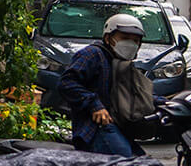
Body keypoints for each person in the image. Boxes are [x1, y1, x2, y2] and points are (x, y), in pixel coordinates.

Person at [58, 11, 155, 155]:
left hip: (119, 127)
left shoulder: (123, 64)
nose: (131, 44)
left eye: (136, 41)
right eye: (124, 38)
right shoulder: (92, 54)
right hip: (96, 127)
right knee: (125, 165)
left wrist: (167, 103)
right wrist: (94, 105)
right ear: (108, 38)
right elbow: (66, 83)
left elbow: (135, 94)